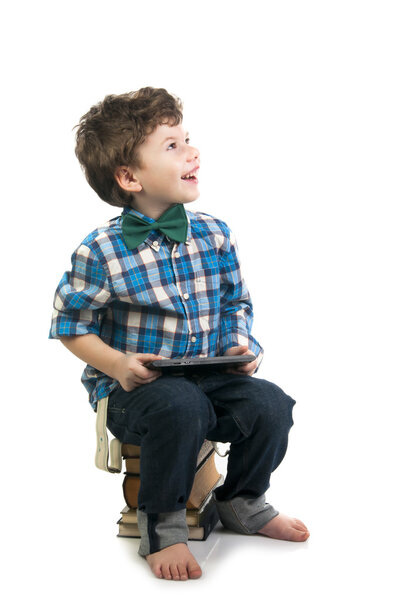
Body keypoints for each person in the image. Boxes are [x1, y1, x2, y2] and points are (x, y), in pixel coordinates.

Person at [49, 87, 309, 581]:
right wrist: (118, 365)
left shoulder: (213, 233)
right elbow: (69, 325)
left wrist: (239, 347)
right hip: (136, 390)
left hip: (209, 377)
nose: (193, 152)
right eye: (172, 146)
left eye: (187, 139)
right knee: (180, 406)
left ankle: (242, 500)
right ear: (129, 177)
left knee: (271, 404)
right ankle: (162, 527)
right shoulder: (101, 250)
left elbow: (236, 302)